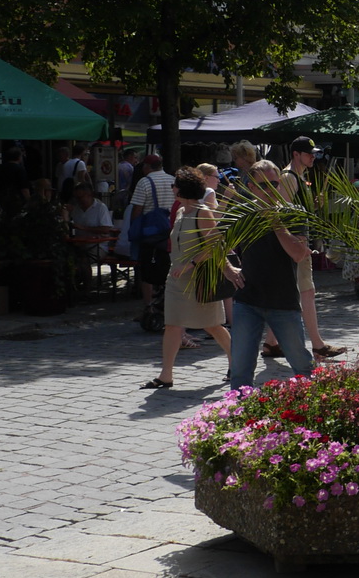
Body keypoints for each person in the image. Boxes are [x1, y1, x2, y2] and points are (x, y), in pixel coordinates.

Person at [225, 160, 315, 390]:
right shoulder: (242, 213)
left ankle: (310, 415)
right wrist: (228, 268)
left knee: (302, 366)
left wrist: (274, 221)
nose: (271, 190)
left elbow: (298, 253)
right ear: (251, 187)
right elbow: (212, 243)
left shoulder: (293, 214)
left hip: (283, 301)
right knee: (240, 371)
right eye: (263, 185)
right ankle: (238, 416)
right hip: (248, 300)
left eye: (275, 183)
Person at [146, 168, 235, 389]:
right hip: (176, 280)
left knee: (212, 326)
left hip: (199, 279)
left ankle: (237, 362)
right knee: (172, 325)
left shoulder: (202, 212)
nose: (172, 188)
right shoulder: (180, 212)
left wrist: (191, 264)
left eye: (175, 185)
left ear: (184, 189)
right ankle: (166, 375)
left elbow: (216, 246)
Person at [274, 137, 342, 361]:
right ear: (296, 154)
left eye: (314, 153)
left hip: (298, 242)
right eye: (309, 153)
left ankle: (270, 343)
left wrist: (314, 204)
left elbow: (296, 209)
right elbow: (281, 212)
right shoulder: (289, 177)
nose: (313, 156)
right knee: (306, 292)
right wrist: (295, 242)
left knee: (291, 293)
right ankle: (317, 345)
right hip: (296, 243)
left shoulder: (298, 177)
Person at [127, 154, 175, 313]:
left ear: (147, 167)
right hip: (170, 229)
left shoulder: (144, 182)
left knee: (146, 270)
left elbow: (137, 209)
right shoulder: (172, 179)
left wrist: (134, 226)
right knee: (168, 266)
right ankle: (168, 305)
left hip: (150, 232)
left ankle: (149, 307)